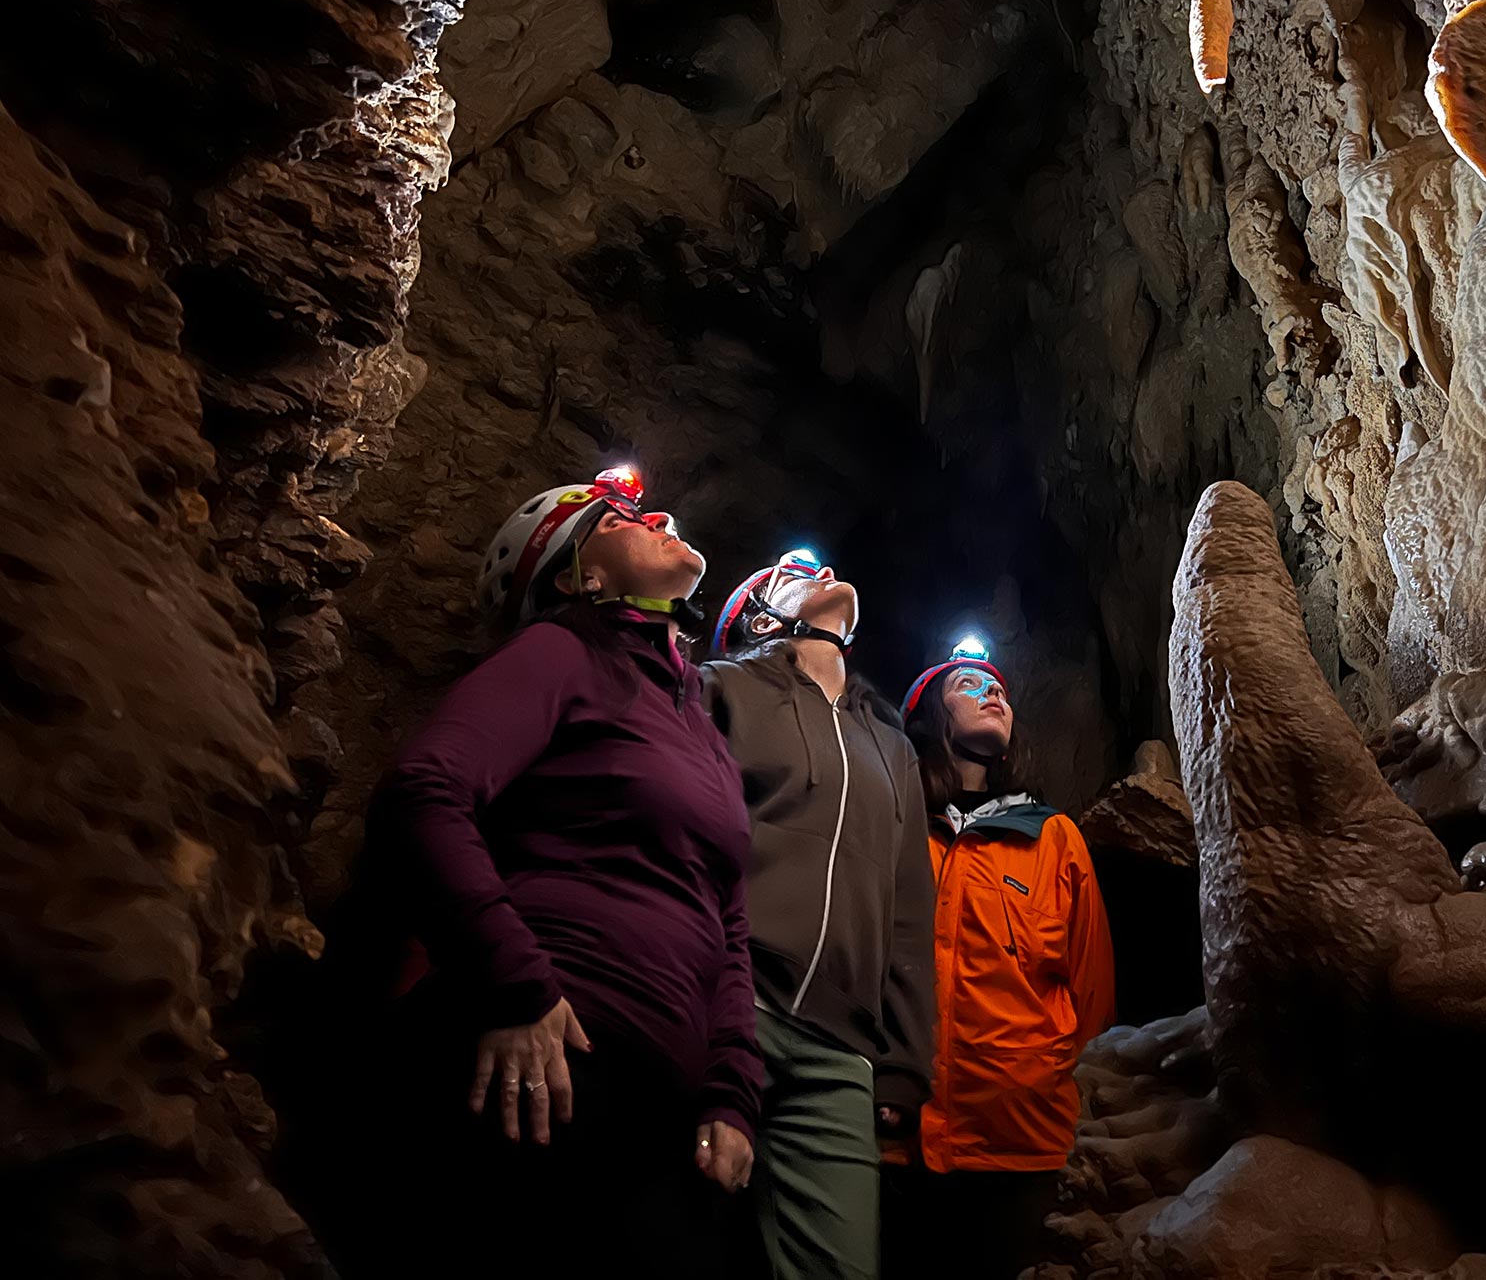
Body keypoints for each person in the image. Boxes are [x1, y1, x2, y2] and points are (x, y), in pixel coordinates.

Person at [334, 465, 760, 1275]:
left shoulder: (697, 722)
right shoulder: (561, 651)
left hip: (663, 1119)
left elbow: (728, 924)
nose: (657, 514)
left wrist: (733, 1093)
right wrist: (514, 982)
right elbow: (424, 790)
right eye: (613, 521)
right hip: (542, 1072)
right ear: (581, 576)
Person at [704, 546, 935, 1280]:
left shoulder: (892, 750)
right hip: (728, 1003)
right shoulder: (717, 691)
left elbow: (907, 912)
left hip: (839, 1051)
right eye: (792, 577)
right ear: (761, 621)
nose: (822, 571)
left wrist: (901, 1062)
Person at [882, 634, 1116, 1280]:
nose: (993, 694)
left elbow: (1091, 990)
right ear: (928, 717)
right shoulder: (892, 830)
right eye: (969, 685)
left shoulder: (1052, 838)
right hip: (898, 1139)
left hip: (1022, 1136)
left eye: (1001, 691)